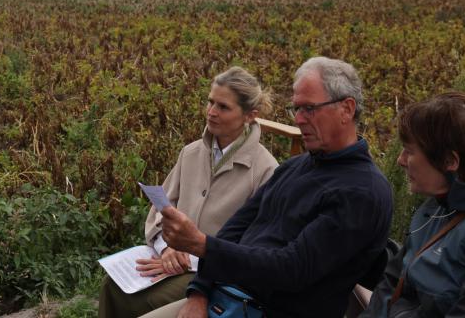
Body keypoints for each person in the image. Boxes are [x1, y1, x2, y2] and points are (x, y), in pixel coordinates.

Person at [145, 56, 393, 318]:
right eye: (295, 109)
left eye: (309, 109)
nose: (298, 119)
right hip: (226, 299)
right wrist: (198, 293)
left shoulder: (361, 192)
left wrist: (202, 245)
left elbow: (292, 270)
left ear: (347, 109)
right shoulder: (294, 167)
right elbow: (233, 230)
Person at [99, 67, 279, 318]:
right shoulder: (191, 153)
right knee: (112, 286)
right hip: (172, 259)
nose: (212, 112)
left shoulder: (266, 170)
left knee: (148, 301)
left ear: (250, 115)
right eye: (210, 102)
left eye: (223, 107)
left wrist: (189, 258)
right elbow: (161, 209)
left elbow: (254, 247)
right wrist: (168, 249)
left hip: (214, 276)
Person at [361, 93, 465, 317]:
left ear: (450, 161)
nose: (400, 160)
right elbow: (391, 283)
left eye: (409, 151)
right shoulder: (435, 209)